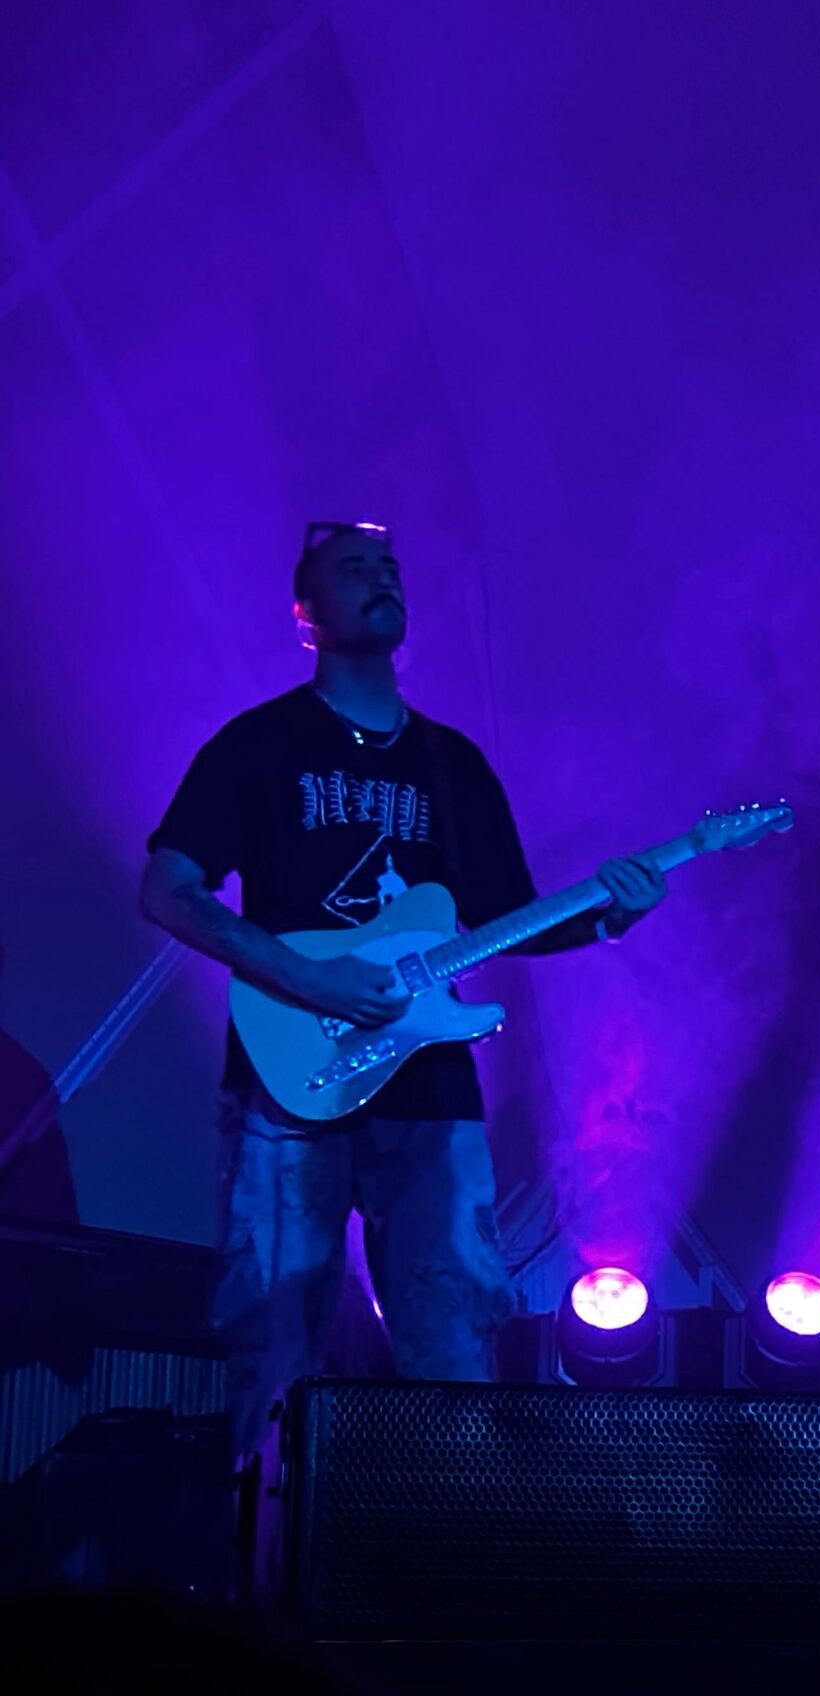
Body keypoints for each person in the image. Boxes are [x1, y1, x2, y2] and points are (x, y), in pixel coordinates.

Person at [140, 522, 668, 1460]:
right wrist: (304, 975)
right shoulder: (259, 745)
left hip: (431, 1097)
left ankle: (442, 1571)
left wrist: (611, 912)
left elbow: (509, 918)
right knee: (275, 1341)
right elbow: (167, 890)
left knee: (455, 1341)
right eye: (354, 570)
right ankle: (266, 1576)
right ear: (306, 611)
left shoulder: (452, 765)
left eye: (389, 568)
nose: (382, 579)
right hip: (286, 1087)